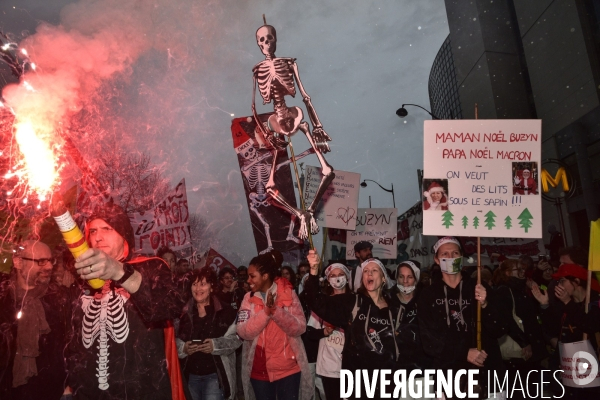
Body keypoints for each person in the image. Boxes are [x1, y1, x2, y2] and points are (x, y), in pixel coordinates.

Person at [64, 202, 185, 399]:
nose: (97, 236)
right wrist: (70, 385)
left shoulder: (150, 268)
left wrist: (120, 272)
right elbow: (73, 341)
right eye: (92, 230)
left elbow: (170, 307)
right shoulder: (81, 282)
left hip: (141, 391)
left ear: (124, 237)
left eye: (107, 229)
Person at [417, 237, 505, 398]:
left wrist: (485, 305)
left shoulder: (479, 287)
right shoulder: (427, 295)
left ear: (461, 257)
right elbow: (429, 342)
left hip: (486, 375)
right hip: (448, 378)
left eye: (455, 253)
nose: (450, 257)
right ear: (437, 259)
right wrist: (463, 353)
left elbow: (499, 329)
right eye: (445, 253)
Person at [305, 251, 399, 399]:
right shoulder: (352, 302)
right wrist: (314, 271)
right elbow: (316, 301)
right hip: (357, 382)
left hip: (386, 380)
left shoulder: (395, 308)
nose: (369, 274)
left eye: (374, 270)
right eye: (366, 271)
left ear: (383, 279)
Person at [0, 240, 72, 400]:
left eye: (50, 260)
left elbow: (72, 347)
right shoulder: (3, 298)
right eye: (40, 261)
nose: (48, 267)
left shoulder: (60, 299)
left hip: (50, 392)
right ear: (18, 262)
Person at [236, 250, 312, 400]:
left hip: (288, 370)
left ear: (265, 276)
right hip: (259, 371)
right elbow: (243, 331)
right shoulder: (248, 298)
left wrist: (276, 312)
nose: (248, 281)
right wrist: (266, 312)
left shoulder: (288, 292)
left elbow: (300, 327)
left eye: (252, 276)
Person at [532, 263, 600, 399]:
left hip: (593, 376)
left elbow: (589, 325)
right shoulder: (563, 305)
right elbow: (553, 329)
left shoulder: (595, 303)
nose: (559, 285)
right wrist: (545, 305)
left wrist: (568, 302)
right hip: (570, 374)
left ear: (576, 281)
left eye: (562, 281)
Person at [177, 267, 241, 400]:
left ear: (212, 287)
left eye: (203, 284)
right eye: (194, 284)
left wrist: (215, 345)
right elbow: (171, 340)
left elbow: (237, 338)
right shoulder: (182, 313)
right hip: (189, 376)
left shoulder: (226, 311)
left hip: (215, 376)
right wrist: (183, 348)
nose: (198, 288)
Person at [491, 259, 548, 399]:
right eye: (519, 270)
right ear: (508, 273)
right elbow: (508, 321)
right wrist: (524, 343)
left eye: (523, 269)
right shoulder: (504, 290)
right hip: (520, 350)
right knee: (521, 389)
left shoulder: (521, 289)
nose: (523, 272)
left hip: (531, 346)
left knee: (531, 388)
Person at [389, 260, 431, 399]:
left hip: (421, 372)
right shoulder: (387, 301)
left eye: (410, 277)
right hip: (394, 373)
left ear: (416, 279)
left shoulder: (425, 302)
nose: (405, 281)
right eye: (401, 277)